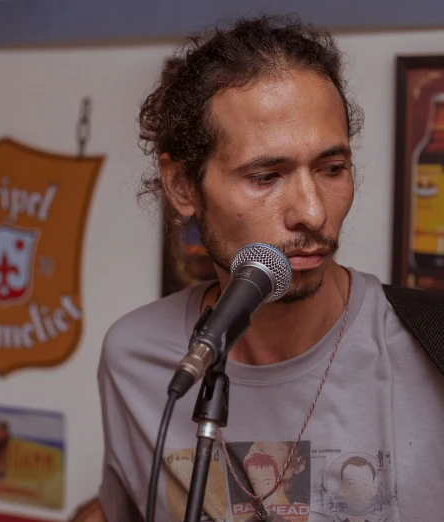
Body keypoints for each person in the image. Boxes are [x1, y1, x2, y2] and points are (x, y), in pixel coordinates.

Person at [89, 13, 444, 522]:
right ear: (182, 186)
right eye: (265, 176)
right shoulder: (136, 359)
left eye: (332, 169)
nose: (313, 212)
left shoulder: (429, 345)